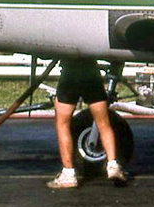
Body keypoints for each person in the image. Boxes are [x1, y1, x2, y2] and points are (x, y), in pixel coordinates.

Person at [46, 58, 130, 189]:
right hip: (91, 74)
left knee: (62, 124)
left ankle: (68, 174)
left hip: (70, 73)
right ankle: (113, 165)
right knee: (103, 123)